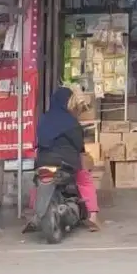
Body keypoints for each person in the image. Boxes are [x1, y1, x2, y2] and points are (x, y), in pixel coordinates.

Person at [32, 87, 100, 231]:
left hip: (43, 161)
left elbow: (38, 140)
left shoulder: (43, 119)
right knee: (84, 180)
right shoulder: (71, 122)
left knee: (37, 183)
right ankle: (93, 216)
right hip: (67, 163)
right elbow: (79, 146)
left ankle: (33, 214)